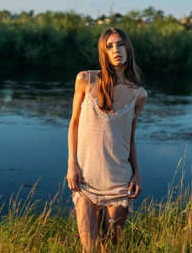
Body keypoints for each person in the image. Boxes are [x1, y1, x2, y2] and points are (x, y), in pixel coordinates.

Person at [67, 27, 147, 251]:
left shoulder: (139, 94)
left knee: (109, 249)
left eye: (120, 44)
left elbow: (130, 139)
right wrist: (71, 163)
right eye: (109, 46)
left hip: (120, 183)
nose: (116, 50)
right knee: (88, 248)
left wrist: (137, 173)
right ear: (104, 52)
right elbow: (73, 123)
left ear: (128, 48)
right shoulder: (86, 79)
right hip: (86, 180)